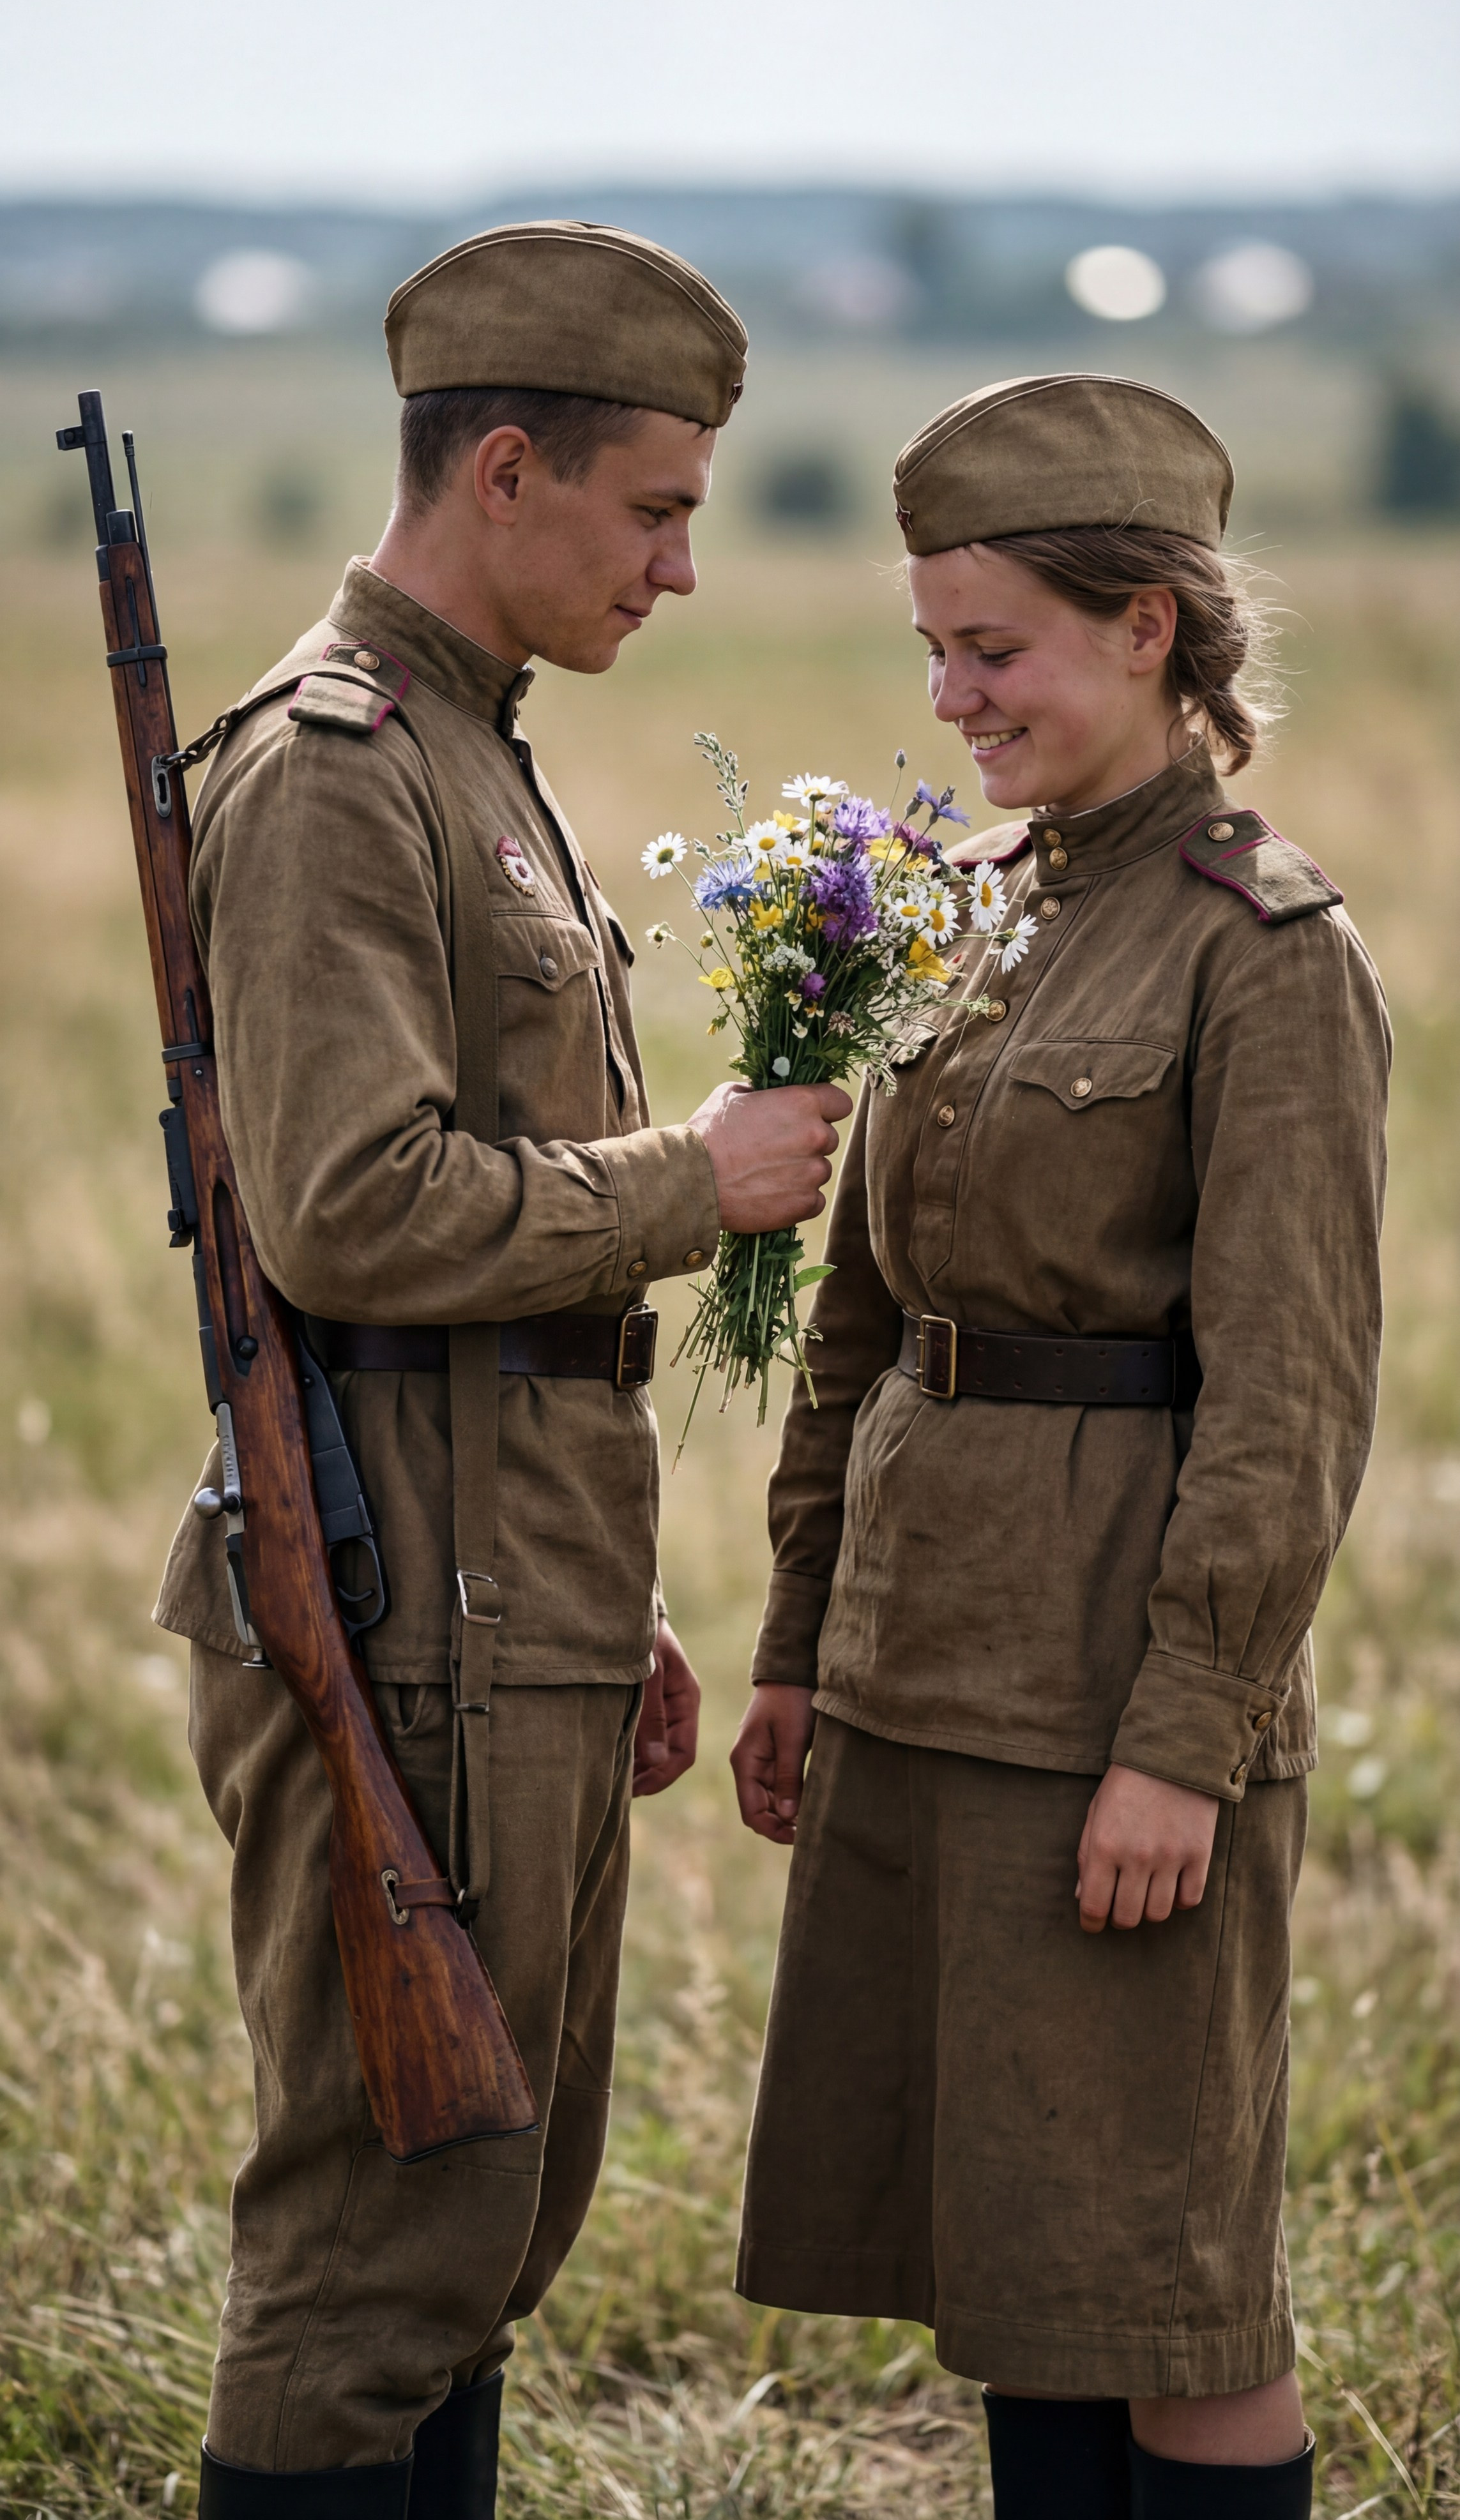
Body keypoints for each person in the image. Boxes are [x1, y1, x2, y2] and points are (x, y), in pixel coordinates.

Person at [152, 220, 851, 2516]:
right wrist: (702, 1181)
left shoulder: (478, 755)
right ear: (511, 471)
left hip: (494, 1589)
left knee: (484, 2241)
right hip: (405, 1619)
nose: (677, 565)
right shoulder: (347, 768)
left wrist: (598, 1595)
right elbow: (354, 1210)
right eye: (653, 509)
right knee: (380, 2258)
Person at [729, 373, 1389, 2519]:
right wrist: (796, 1643)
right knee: (1013, 2283)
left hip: (1111, 1717)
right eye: (932, 648)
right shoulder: (971, 902)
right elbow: (860, 1314)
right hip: (925, 1692)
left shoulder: (1266, 954)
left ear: (1150, 629)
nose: (952, 696)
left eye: (991, 649)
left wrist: (1182, 1741)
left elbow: (1290, 1398)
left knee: (1170, 2296)